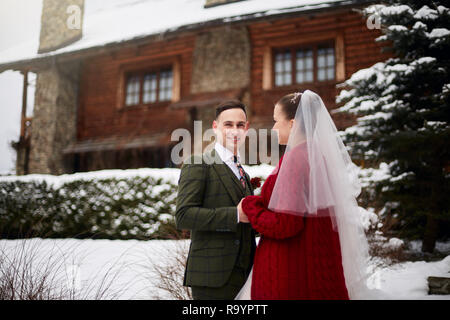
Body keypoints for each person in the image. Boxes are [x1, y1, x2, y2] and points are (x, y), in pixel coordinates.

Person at [236, 90, 371, 300]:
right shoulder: (316, 155)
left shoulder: (296, 160)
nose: (273, 128)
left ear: (292, 124)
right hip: (311, 265)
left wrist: (249, 207)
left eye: (276, 121)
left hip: (289, 271)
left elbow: (286, 223)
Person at [175, 100, 256, 300]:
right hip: (212, 277)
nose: (234, 131)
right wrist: (235, 215)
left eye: (240, 125)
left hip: (246, 275)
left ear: (246, 129)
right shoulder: (198, 163)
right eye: (228, 125)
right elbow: (184, 216)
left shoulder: (243, 173)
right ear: (215, 127)